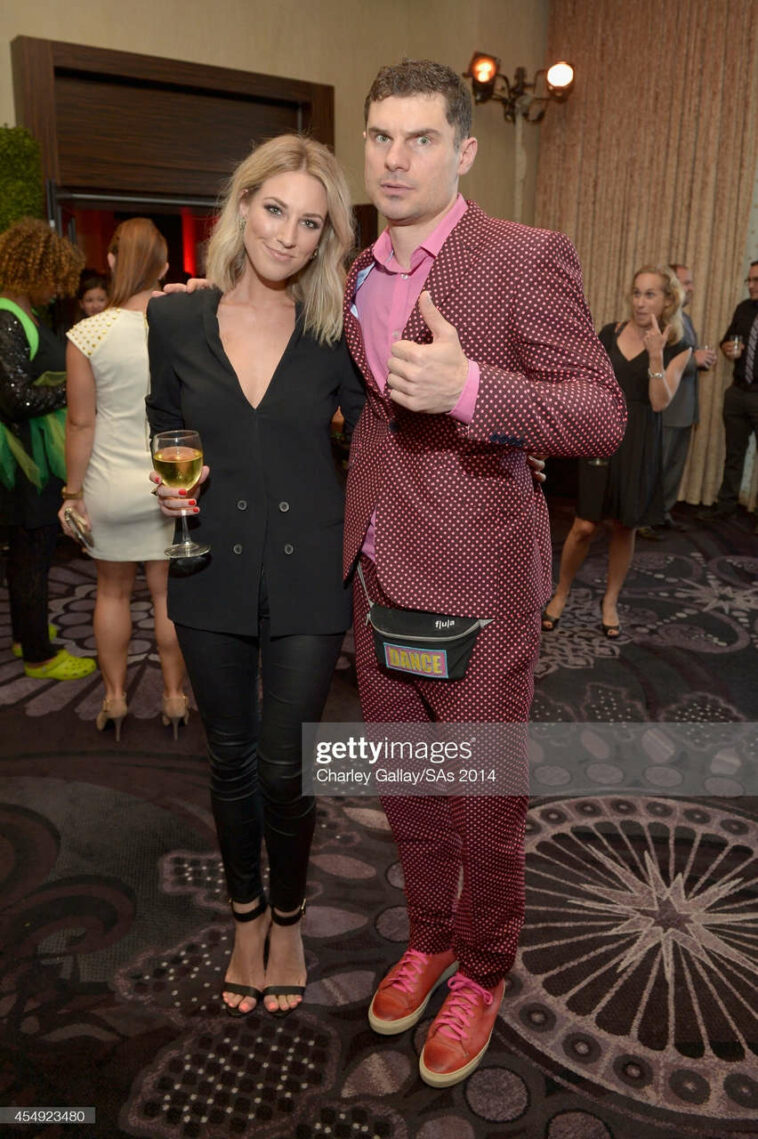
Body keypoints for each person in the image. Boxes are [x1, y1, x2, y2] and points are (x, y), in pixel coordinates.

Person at [342, 59, 626, 1088]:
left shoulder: (522, 256)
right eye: (381, 137)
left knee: (481, 797)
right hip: (376, 572)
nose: (396, 158)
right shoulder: (359, 269)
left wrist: (470, 386)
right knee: (408, 786)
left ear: (463, 151)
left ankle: (484, 964)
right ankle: (428, 935)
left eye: (421, 139)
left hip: (478, 578)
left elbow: (599, 413)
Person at [145, 136, 365, 1017]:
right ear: (243, 207)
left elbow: (379, 442)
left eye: (310, 222)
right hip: (209, 565)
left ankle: (291, 915)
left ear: (325, 237)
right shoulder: (174, 320)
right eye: (275, 209)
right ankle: (247, 918)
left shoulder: (335, 330)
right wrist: (168, 481)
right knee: (230, 757)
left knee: (284, 765)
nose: (287, 234)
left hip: (312, 571)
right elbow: (165, 421)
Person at [58, 219, 186, 740]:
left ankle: (114, 698)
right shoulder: (180, 326)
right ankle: (175, 697)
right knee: (167, 596)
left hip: (109, 484)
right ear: (164, 267)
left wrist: (72, 493)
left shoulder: (87, 334)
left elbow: (80, 423)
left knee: (111, 593)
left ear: (111, 261)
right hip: (170, 478)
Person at [543, 265, 691, 638]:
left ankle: (610, 601)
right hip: (601, 436)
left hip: (640, 441)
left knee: (625, 525)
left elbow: (659, 402)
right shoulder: (610, 333)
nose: (640, 302)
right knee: (584, 525)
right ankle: (560, 593)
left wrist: (655, 356)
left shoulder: (678, 346)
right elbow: (587, 381)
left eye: (650, 294)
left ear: (668, 300)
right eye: (637, 293)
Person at [0, 217, 97, 680]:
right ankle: (40, 655)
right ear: (33, 270)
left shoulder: (22, 316)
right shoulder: (6, 318)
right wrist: (75, 390)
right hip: (24, 463)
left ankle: (28, 634)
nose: (58, 290)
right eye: (54, 279)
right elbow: (15, 399)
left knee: (28, 553)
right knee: (32, 555)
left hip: (31, 457)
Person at [637, 263, 716, 539]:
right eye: (686, 282)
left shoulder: (686, 320)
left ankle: (662, 513)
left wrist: (699, 359)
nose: (691, 288)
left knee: (673, 469)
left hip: (685, 409)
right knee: (657, 468)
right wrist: (694, 361)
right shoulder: (659, 325)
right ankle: (645, 519)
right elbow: (662, 362)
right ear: (672, 289)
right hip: (667, 409)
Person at [699, 260, 758, 519]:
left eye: (756, 280)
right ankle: (726, 507)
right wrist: (727, 349)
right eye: (749, 280)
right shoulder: (743, 308)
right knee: (733, 454)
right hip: (737, 392)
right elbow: (727, 340)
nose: (751, 286)